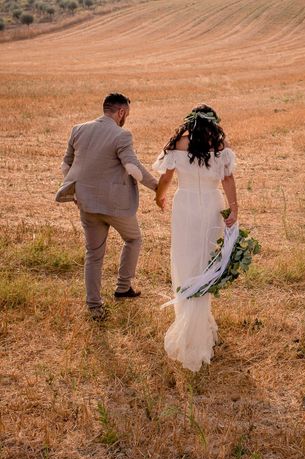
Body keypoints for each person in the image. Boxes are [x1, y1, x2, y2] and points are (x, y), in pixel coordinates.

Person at [55, 93, 159, 320]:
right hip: (115, 206)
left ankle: (94, 305)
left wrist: (75, 192)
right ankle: (123, 287)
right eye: (126, 115)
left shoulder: (78, 129)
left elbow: (66, 165)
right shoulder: (121, 135)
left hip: (86, 203)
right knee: (133, 239)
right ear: (121, 112)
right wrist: (157, 188)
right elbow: (132, 167)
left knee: (93, 254)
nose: (126, 119)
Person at [153, 104, 238, 372]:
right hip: (210, 205)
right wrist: (234, 207)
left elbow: (166, 177)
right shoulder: (218, 142)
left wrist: (158, 196)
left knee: (185, 261)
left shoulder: (180, 141)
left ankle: (191, 323)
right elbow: (227, 179)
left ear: (190, 120)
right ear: (213, 123)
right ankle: (198, 323)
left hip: (185, 204)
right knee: (205, 263)